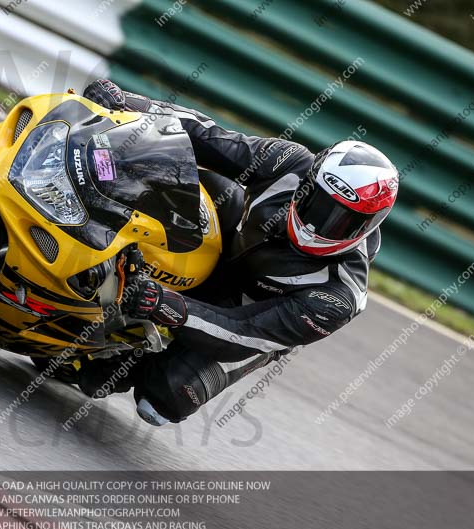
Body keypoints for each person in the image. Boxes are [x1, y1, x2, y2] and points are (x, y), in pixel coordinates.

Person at [78, 79, 400, 426]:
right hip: (231, 239)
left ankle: (134, 354)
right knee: (181, 172)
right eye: (315, 203)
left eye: (340, 221)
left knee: (164, 395)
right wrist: (127, 103)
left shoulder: (338, 297)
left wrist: (164, 305)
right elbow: (206, 136)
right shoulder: (291, 162)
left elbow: (244, 331)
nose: (317, 224)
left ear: (366, 227)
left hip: (246, 314)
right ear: (309, 181)